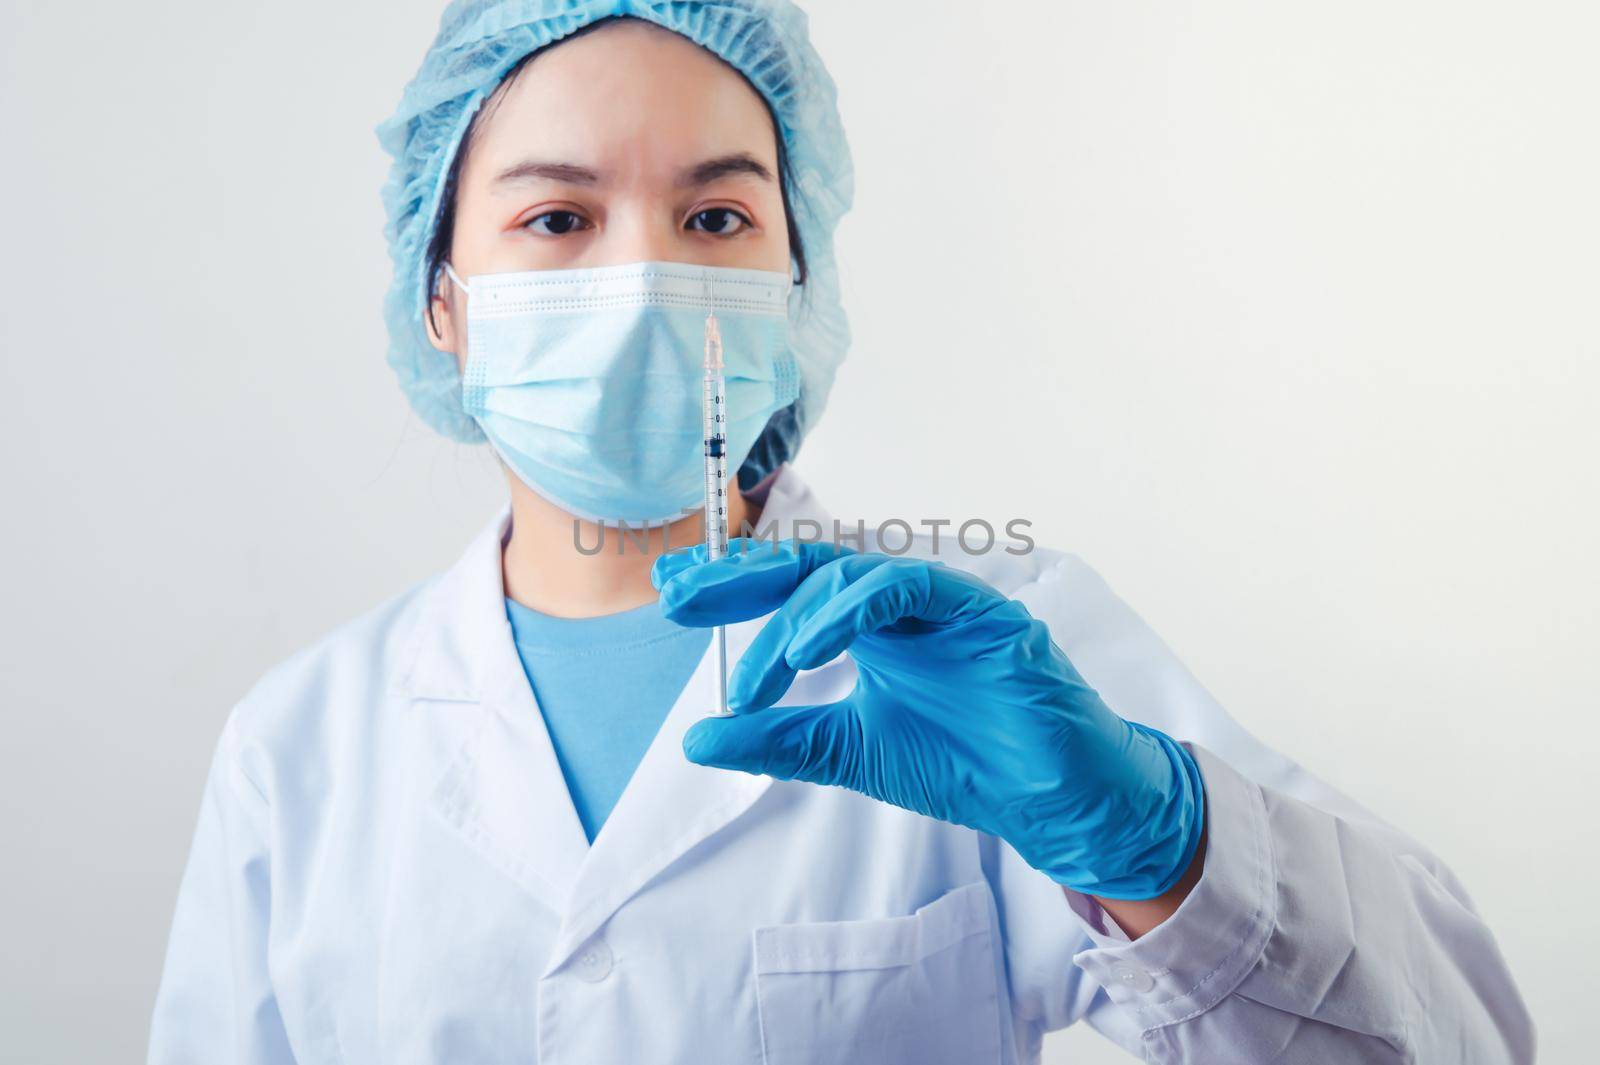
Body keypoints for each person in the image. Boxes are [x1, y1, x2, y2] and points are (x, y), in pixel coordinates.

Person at [148, 3, 1534, 1062]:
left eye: (716, 214)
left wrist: (1161, 849)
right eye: (557, 217)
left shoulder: (986, 638)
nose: (643, 283)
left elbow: (1461, 1034)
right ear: (442, 302)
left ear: (794, 284)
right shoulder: (302, 747)